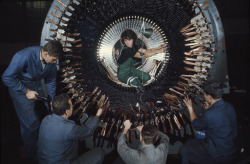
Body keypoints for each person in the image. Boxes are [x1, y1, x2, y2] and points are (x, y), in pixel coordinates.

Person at [2, 40, 64, 162]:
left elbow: (51, 80)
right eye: (53, 60)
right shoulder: (23, 56)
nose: (54, 62)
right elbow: (6, 77)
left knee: (47, 112)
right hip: (19, 87)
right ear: (46, 54)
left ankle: (42, 147)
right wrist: (26, 91)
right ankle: (33, 157)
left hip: (36, 85)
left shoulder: (50, 59)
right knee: (31, 123)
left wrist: (51, 99)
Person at [179, 81, 238, 164]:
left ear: (210, 97)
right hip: (231, 150)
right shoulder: (230, 106)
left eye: (204, 94)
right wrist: (208, 110)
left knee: (184, 150)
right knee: (192, 142)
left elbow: (196, 125)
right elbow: (217, 120)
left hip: (219, 155)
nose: (204, 96)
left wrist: (190, 107)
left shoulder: (209, 114)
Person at [37, 93, 105, 164]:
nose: (72, 106)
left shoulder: (45, 119)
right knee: (99, 153)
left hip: (44, 161)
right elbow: (89, 130)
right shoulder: (69, 128)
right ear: (66, 112)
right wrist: (98, 115)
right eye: (71, 105)